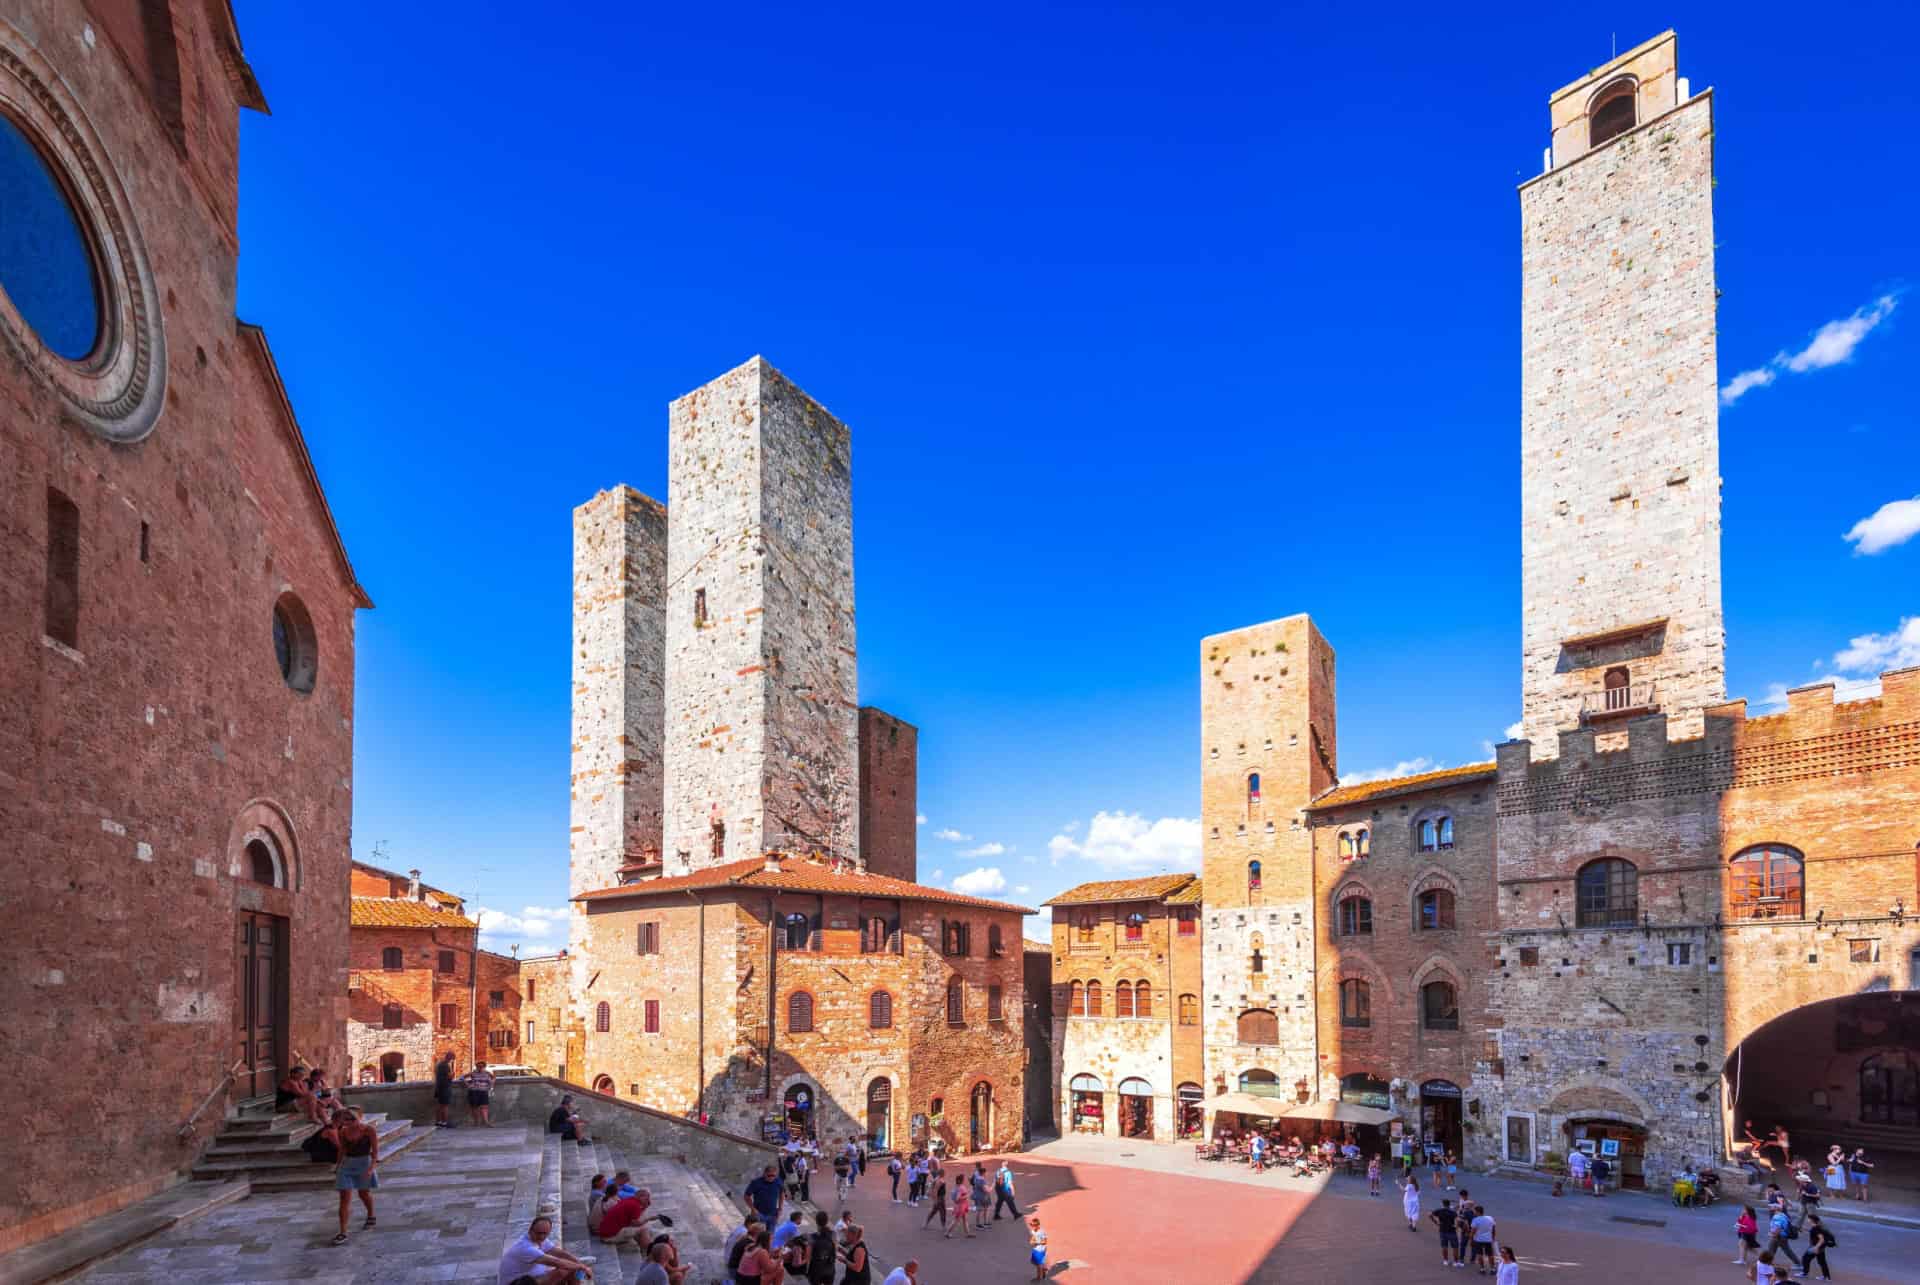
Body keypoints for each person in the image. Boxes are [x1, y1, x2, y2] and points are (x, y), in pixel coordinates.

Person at [499, 1213, 594, 1285]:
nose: (541, 1236)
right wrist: (583, 1267)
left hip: (534, 1277)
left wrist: (580, 1264)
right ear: (530, 1230)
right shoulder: (526, 1248)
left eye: (545, 1233)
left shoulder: (540, 1240)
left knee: (574, 1269)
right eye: (538, 1233)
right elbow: (558, 1262)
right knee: (564, 1270)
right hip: (518, 1283)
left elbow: (561, 1254)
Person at [332, 1107, 380, 1246]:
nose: (349, 1122)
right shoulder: (342, 1131)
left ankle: (371, 1214)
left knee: (363, 1194)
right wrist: (338, 1165)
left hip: (363, 1164)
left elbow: (375, 1151)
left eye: (352, 1118)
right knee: (344, 1198)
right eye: (346, 1119)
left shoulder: (369, 1130)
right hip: (347, 1165)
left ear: (359, 1117)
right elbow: (342, 1149)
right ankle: (343, 1232)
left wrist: (371, 1168)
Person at [599, 1185, 664, 1248]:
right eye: (647, 1198)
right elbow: (635, 1223)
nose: (648, 1200)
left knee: (643, 1226)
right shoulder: (635, 1206)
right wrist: (649, 1219)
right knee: (644, 1229)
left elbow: (634, 1217)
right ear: (640, 1197)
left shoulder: (630, 1200)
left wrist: (645, 1207)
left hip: (604, 1232)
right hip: (609, 1236)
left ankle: (645, 1243)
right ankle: (648, 1250)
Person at [1764, 1205, 1802, 1274]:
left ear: (1776, 1209)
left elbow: (1778, 1227)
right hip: (1781, 1236)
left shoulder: (1777, 1217)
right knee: (1773, 1249)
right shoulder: (1783, 1215)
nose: (1769, 1208)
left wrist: (1774, 1234)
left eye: (1772, 1207)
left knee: (1778, 1250)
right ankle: (1768, 1263)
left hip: (1779, 1236)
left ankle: (1798, 1264)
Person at [803, 1210, 837, 1285]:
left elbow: (807, 1257)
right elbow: (835, 1251)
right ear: (827, 1221)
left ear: (816, 1221)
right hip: (830, 1268)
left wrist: (806, 1271)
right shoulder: (833, 1234)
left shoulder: (811, 1237)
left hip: (816, 1269)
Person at [1801, 1214, 1834, 1281]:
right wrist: (1806, 1230)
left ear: (1811, 1220)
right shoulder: (1816, 1227)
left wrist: (1816, 1248)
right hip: (1821, 1247)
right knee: (1822, 1262)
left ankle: (1805, 1273)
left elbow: (1821, 1239)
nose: (1807, 1220)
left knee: (1805, 1258)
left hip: (1816, 1247)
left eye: (1808, 1218)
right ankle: (1827, 1277)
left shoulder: (1815, 1228)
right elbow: (1815, 1233)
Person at [464, 1060, 496, 1127]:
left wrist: (491, 1084)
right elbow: (462, 1077)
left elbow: (493, 1078)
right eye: (478, 1066)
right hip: (474, 1091)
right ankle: (476, 1122)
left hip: (483, 1091)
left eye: (481, 1066)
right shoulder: (473, 1073)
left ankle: (486, 1122)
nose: (479, 1068)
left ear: (484, 1067)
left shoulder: (487, 1073)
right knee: (474, 1107)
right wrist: (467, 1085)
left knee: (484, 1107)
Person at [1431, 1198, 1460, 1268]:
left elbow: (1430, 1215)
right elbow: (1457, 1220)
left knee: (1444, 1246)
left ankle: (1445, 1261)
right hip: (1452, 1231)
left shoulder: (1439, 1211)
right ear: (1449, 1204)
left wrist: (1436, 1222)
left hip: (1442, 1231)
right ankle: (1455, 1262)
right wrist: (1456, 1226)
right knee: (1455, 1247)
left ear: (1443, 1204)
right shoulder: (1452, 1212)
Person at [1467, 1205, 1496, 1275]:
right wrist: (1493, 1238)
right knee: (1490, 1255)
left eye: (1475, 1211)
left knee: (1480, 1254)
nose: (1474, 1213)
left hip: (1478, 1240)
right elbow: (1493, 1229)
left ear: (1477, 1212)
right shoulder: (1490, 1218)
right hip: (1488, 1240)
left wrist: (1470, 1239)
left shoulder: (1475, 1220)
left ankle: (1482, 1269)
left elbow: (1473, 1231)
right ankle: (1492, 1269)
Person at [943, 1173, 973, 1238]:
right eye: (963, 1179)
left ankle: (968, 1233)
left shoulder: (957, 1186)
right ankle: (947, 1233)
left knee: (965, 1219)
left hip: (961, 1205)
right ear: (961, 1180)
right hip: (961, 1206)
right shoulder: (961, 1188)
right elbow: (957, 1198)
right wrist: (966, 1196)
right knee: (956, 1220)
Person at [433, 1051, 456, 1128]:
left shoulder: (439, 1064)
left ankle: (438, 1122)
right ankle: (444, 1122)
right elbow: (450, 1076)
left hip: (439, 1087)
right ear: (450, 1058)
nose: (453, 1060)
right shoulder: (445, 1065)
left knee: (439, 1105)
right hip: (445, 1087)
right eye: (453, 1058)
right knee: (444, 1106)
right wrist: (453, 1074)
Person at [1027, 1216, 1049, 1281]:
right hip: (1035, 1249)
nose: (1033, 1226)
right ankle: (1043, 1269)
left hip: (1041, 1250)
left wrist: (1036, 1242)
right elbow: (1033, 1237)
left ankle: (1039, 1278)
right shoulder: (1033, 1231)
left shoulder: (1042, 1232)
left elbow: (1045, 1241)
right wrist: (1031, 1241)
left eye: (1034, 1225)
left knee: (1038, 1265)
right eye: (1031, 1225)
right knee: (1033, 1262)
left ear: (1038, 1225)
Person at [970, 1165, 992, 1229]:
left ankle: (981, 1223)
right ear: (983, 1173)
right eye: (985, 1172)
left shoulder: (977, 1178)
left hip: (978, 1196)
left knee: (980, 1210)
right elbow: (986, 1190)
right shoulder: (982, 1180)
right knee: (981, 1210)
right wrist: (992, 1187)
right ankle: (979, 1224)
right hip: (982, 1196)